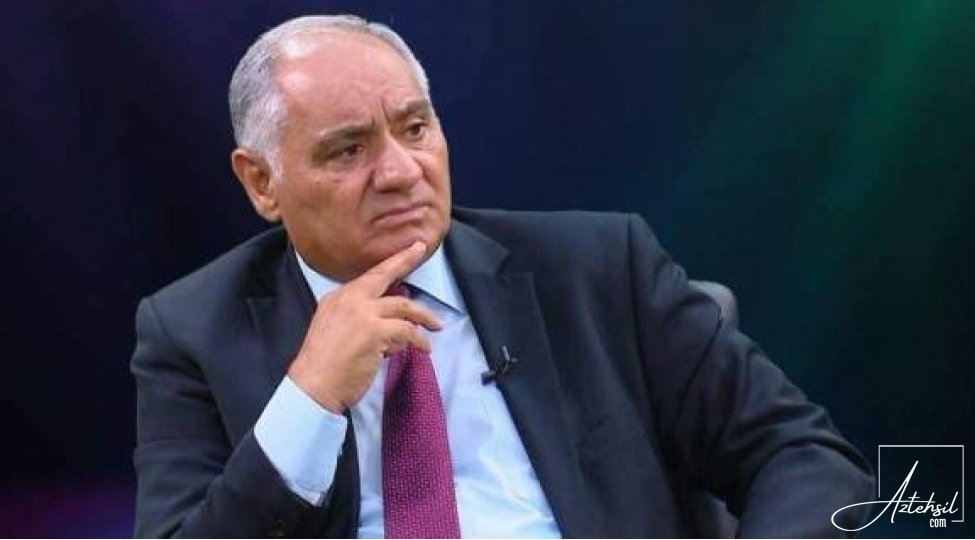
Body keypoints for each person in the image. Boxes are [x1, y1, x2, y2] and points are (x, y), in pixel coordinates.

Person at [131, 14, 874, 538]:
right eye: (348, 150)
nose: (400, 171)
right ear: (262, 182)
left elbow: (798, 451)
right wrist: (309, 398)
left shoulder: (597, 269)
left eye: (415, 128)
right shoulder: (190, 330)